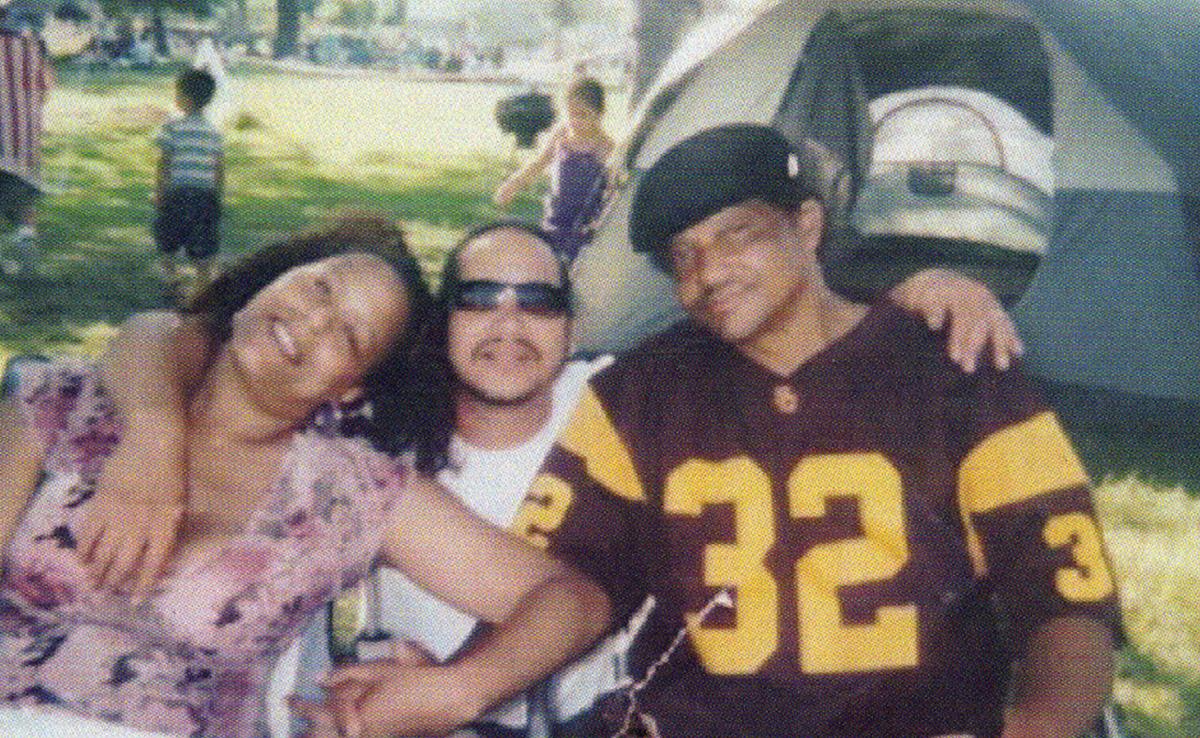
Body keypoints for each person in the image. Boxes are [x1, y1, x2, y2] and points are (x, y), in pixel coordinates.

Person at [87, 208, 1022, 738]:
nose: (509, 326)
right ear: (439, 327)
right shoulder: (372, 428)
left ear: (574, 327)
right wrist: (153, 435)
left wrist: (914, 295)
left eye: (537, 302)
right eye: (479, 300)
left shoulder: (622, 402)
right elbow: (168, 335)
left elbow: (770, 322)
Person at [506, 124, 1122, 738]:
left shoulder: (956, 366)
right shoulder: (637, 393)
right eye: (683, 256)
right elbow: (545, 577)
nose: (709, 273)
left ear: (807, 225)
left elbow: (1068, 595)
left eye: (736, 235)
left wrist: (1032, 727)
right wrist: (465, 681)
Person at [0, 212, 608, 738]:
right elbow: (157, 330)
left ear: (349, 389)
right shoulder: (66, 403)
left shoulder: (345, 495)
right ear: (271, 282)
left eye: (349, 334)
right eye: (318, 287)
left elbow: (572, 600)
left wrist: (459, 691)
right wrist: (152, 438)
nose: (315, 322)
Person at [494, 77, 614, 263]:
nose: (575, 121)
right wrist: (512, 184)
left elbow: (612, 190)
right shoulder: (561, 136)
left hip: (583, 227)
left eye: (583, 115)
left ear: (599, 115)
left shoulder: (605, 147)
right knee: (549, 266)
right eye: (571, 114)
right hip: (555, 221)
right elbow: (538, 163)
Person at [153, 68, 224, 296]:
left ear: (186, 100)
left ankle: (172, 278)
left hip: (178, 194)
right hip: (205, 196)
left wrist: (159, 192)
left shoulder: (172, 128)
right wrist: (217, 196)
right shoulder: (214, 132)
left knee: (166, 239)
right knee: (203, 245)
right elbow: (219, 167)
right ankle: (202, 287)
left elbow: (164, 163)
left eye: (177, 94)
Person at [0, 11, 53, 277]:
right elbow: (45, 90)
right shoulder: (30, 45)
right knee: (24, 202)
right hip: (22, 144)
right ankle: (26, 240)